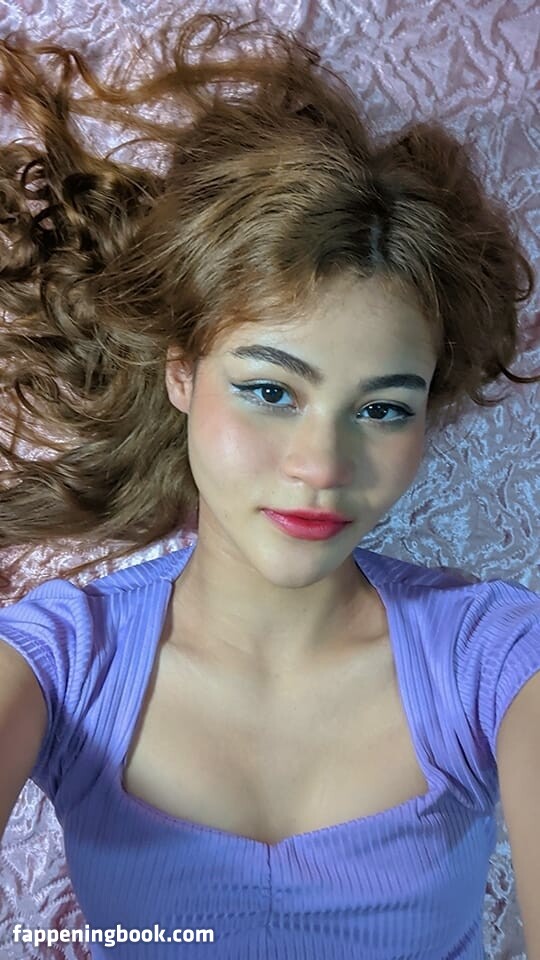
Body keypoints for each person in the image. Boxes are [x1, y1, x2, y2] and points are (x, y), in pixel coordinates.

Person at [0, 11, 539, 959]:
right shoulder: (60, 661)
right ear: (181, 373)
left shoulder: (495, 661)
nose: (322, 467)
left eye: (383, 408)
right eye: (270, 391)